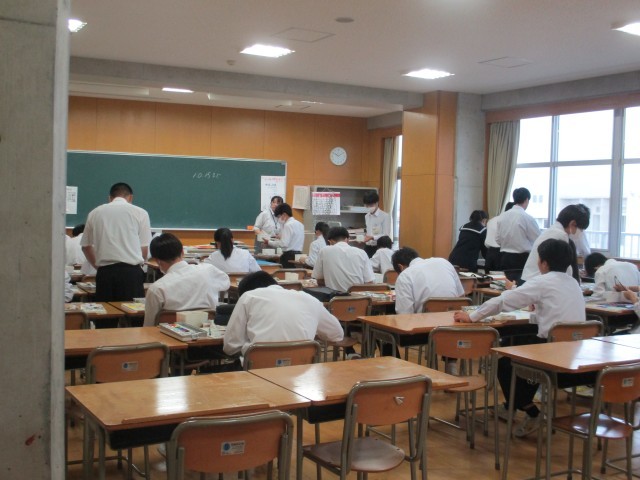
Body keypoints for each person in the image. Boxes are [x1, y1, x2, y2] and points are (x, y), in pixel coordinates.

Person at [454, 239, 586, 438]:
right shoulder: (573, 283)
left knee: (504, 365)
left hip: (552, 353)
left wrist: (472, 316)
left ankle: (532, 412)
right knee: (519, 351)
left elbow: (503, 301)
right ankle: (511, 406)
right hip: (576, 353)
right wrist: (537, 309)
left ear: (544, 263)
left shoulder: (542, 282)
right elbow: (555, 316)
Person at [223, 271, 344, 365]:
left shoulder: (248, 296)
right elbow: (337, 334)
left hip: (258, 372)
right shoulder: (310, 299)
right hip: (302, 373)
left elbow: (230, 346)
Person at [81, 182, 151, 301]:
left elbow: (86, 247)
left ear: (110, 198)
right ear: (131, 197)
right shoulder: (141, 213)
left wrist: (98, 267)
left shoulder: (95, 213)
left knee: (106, 311)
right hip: (131, 273)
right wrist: (141, 264)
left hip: (105, 272)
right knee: (132, 310)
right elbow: (144, 248)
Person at [143, 233, 230, 326]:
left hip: (169, 334)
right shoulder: (208, 270)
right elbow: (226, 283)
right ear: (182, 252)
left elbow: (149, 325)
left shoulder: (157, 288)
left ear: (157, 260)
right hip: (207, 331)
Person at [521, 204, 590, 283]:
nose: (581, 233)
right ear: (572, 224)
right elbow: (565, 268)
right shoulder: (560, 235)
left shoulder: (554, 231)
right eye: (581, 229)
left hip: (532, 279)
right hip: (536, 281)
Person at [392, 247, 464, 314]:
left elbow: (404, 314)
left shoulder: (404, 275)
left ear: (400, 267)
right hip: (454, 319)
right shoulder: (445, 262)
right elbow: (461, 296)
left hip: (425, 321)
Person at [495, 187, 541, 277]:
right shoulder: (527, 218)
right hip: (521, 259)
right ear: (526, 200)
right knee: (519, 284)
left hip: (504, 257)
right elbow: (538, 240)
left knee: (506, 283)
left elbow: (497, 239)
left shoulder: (502, 216)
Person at [313, 226, 375, 292]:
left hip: (334, 297)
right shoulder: (361, 252)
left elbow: (319, 280)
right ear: (348, 239)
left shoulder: (324, 251)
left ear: (330, 241)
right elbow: (369, 282)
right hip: (358, 297)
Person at [264, 203, 304, 268]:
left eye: (279, 217)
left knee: (286, 273)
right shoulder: (300, 224)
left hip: (288, 256)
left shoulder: (288, 225)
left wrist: (269, 242)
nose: (278, 219)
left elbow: (283, 244)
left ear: (284, 214)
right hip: (299, 255)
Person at [484, 203, 514, 273]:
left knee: (488, 276)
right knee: (500, 277)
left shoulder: (492, 220)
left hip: (489, 253)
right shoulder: (508, 221)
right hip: (501, 253)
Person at [363, 191, 392, 258]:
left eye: (371, 205)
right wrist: (363, 238)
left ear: (377, 203)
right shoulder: (367, 216)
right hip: (368, 247)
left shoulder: (385, 216)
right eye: (367, 205)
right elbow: (368, 232)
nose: (369, 207)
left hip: (379, 248)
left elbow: (386, 234)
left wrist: (372, 237)